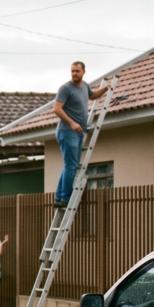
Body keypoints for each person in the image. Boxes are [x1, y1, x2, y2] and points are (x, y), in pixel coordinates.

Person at [53, 61, 110, 208]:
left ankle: (59, 198)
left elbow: (92, 96)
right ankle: (65, 198)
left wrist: (106, 88)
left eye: (77, 71)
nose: (74, 74)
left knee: (69, 166)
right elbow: (57, 109)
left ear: (83, 72)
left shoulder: (84, 86)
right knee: (71, 166)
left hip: (78, 132)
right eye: (72, 71)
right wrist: (72, 123)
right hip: (67, 132)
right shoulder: (66, 88)